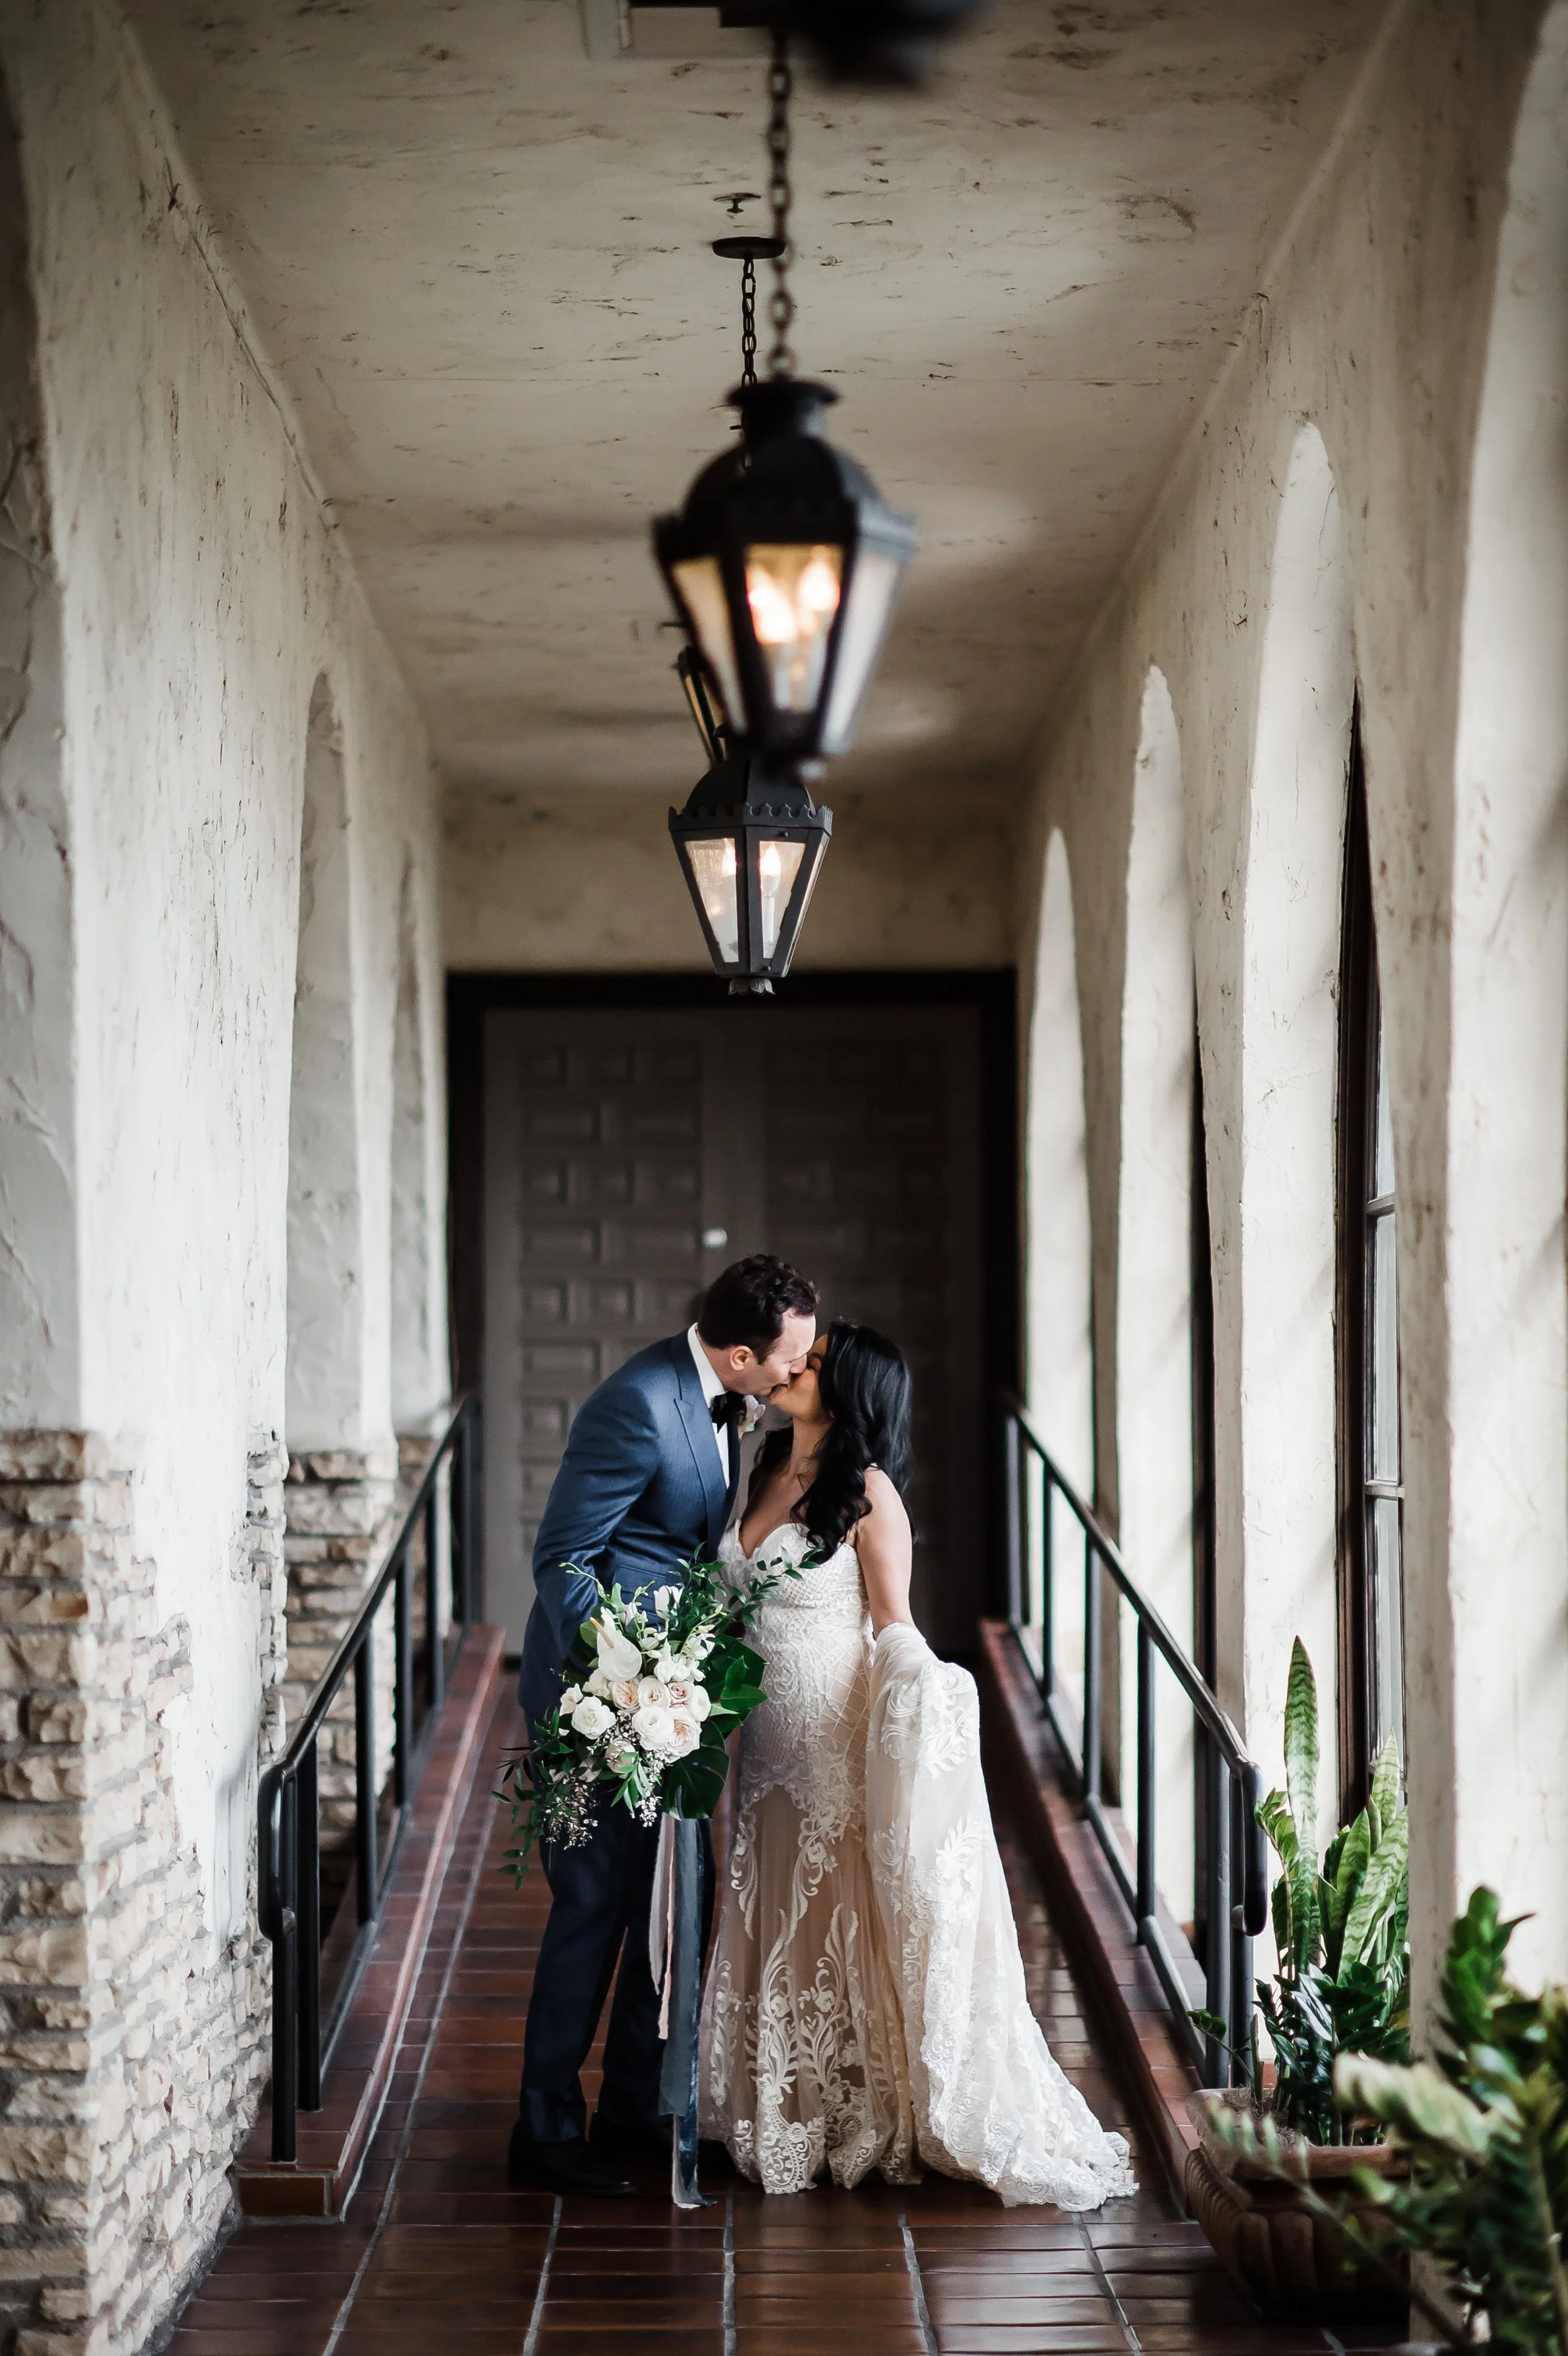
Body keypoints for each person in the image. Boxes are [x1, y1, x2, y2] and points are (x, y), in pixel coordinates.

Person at [699, 1320, 1136, 2208]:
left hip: (830, 1738)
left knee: (828, 1909)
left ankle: (851, 2110)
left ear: (848, 1393)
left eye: (814, 1366)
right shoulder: (762, 1469)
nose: (793, 1370)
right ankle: (774, 2098)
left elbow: (893, 1622)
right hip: (764, 1743)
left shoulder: (868, 1495)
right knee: (768, 1898)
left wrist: (934, 1691)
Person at [508, 1254, 819, 2197]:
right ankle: (545, 2132)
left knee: (672, 1909)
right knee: (595, 1911)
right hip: (600, 1699)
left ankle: (637, 2113)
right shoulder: (637, 1404)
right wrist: (628, 1681)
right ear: (737, 1355)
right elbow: (563, 1561)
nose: (799, 1373)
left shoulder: (730, 1402)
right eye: (790, 1358)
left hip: (677, 1702)